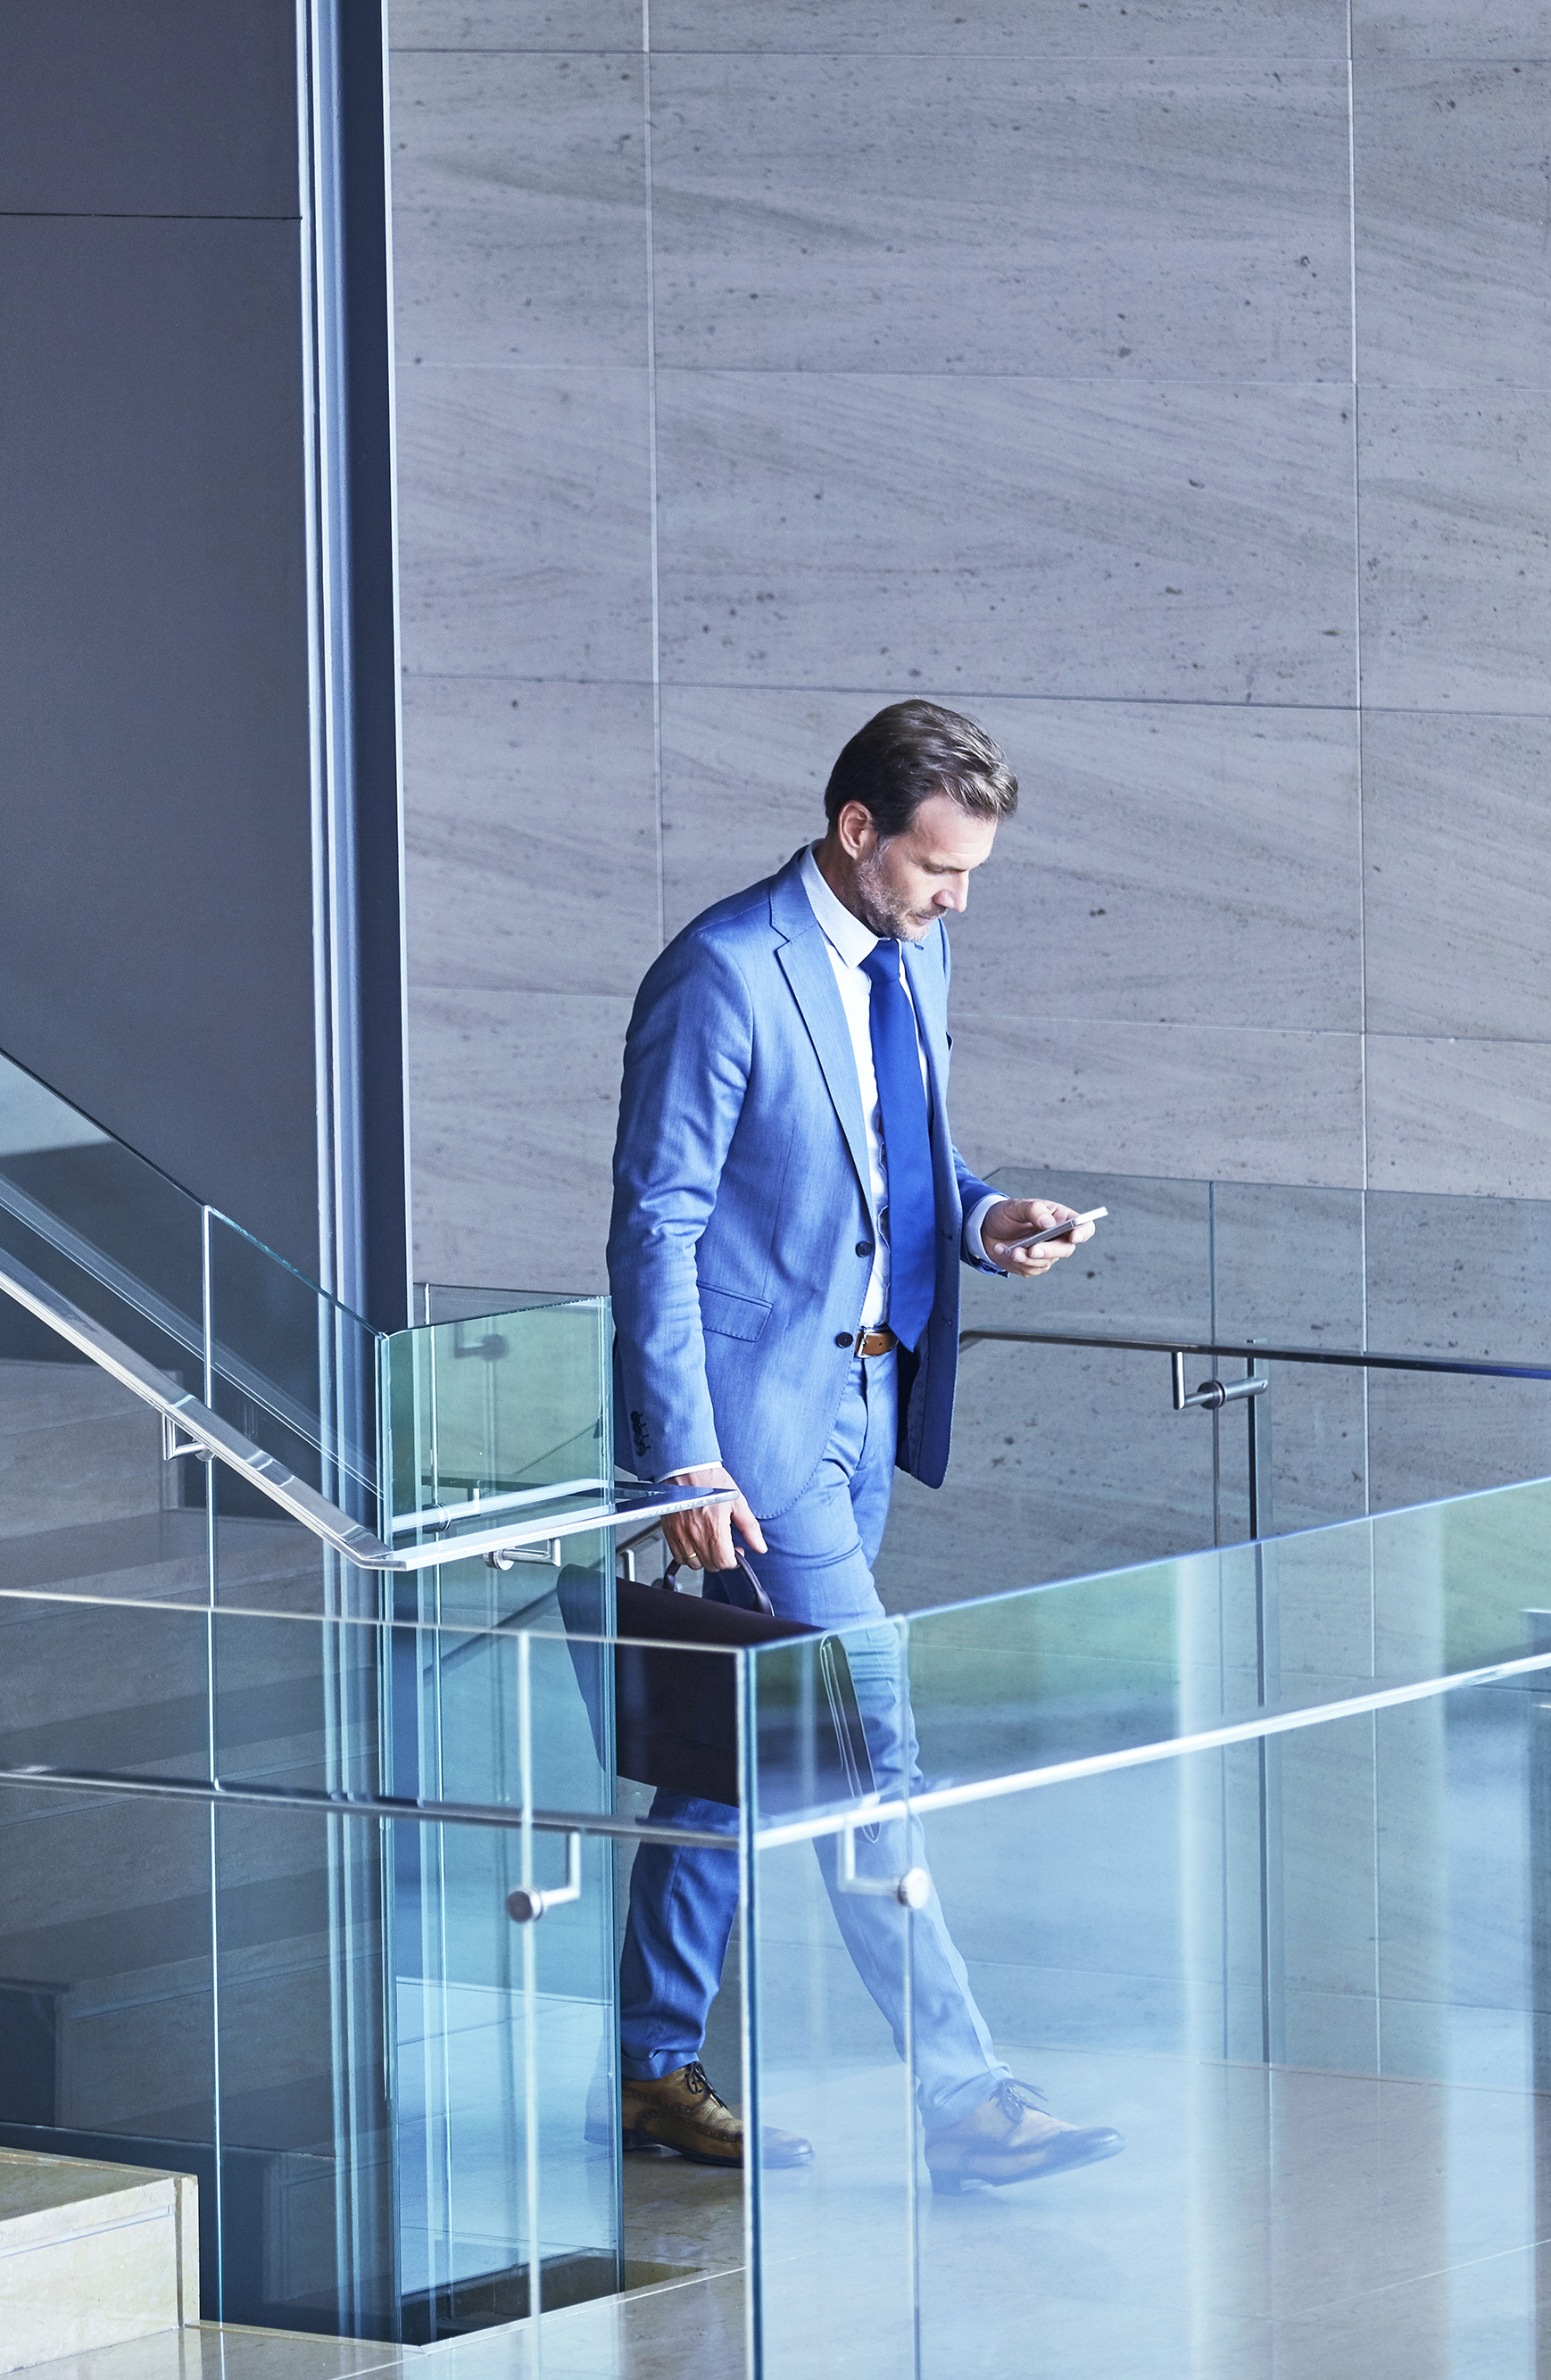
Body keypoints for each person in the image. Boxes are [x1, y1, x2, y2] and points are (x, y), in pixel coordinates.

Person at [605, 698, 1123, 2193]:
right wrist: (683, 1458)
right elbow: (660, 1225)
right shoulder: (720, 973)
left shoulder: (917, 950)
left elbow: (901, 1149)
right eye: (940, 870)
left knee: (736, 1746)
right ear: (856, 834)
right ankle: (965, 2100)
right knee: (861, 1738)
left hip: (868, 1407)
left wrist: (981, 1216)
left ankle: (650, 2064)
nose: (958, 902)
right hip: (756, 1438)